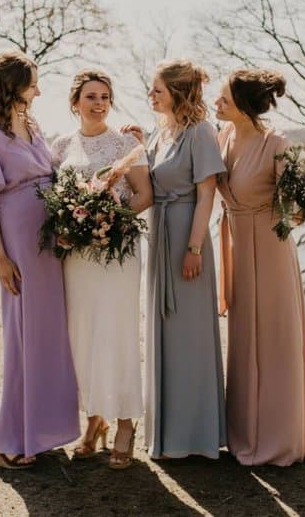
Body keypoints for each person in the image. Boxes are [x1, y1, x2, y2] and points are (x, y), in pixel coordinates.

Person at [0, 51, 80, 470]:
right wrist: (0, 257)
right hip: (17, 235)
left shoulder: (34, 126)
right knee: (22, 336)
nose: (39, 89)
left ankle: (43, 429)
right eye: (34, 82)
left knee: (49, 335)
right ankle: (3, 441)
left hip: (48, 235)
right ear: (15, 85)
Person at [51, 70, 152, 470]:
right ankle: (94, 420)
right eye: (91, 96)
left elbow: (145, 194)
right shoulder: (60, 145)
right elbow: (54, 198)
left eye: (106, 96)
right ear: (75, 101)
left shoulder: (126, 143)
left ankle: (125, 423)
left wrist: (109, 220)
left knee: (117, 333)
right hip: (77, 259)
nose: (100, 103)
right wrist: (72, 227)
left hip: (117, 252)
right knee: (83, 337)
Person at [127, 58, 226, 459]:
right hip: (160, 233)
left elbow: (207, 195)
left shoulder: (202, 132)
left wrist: (195, 248)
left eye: (157, 90)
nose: (150, 95)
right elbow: (151, 178)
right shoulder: (161, 131)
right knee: (164, 331)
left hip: (187, 233)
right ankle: (166, 434)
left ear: (178, 93)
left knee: (189, 335)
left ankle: (194, 436)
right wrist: (138, 141)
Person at [214, 69, 305, 466]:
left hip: (270, 248)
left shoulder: (277, 144)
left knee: (274, 338)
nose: (216, 102)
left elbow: (299, 208)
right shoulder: (221, 137)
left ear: (242, 104)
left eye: (223, 97)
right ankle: (243, 433)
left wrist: (288, 216)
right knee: (242, 337)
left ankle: (277, 437)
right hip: (235, 242)